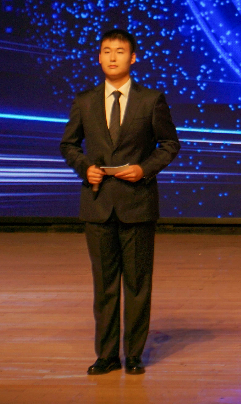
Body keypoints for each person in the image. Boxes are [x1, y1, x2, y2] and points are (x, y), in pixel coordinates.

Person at [60, 28, 181, 376]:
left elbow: (170, 145)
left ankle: (135, 354)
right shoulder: (85, 100)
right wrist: (85, 168)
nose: (113, 57)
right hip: (98, 204)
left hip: (137, 203)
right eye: (106, 51)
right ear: (99, 57)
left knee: (138, 283)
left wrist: (143, 169)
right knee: (105, 284)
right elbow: (68, 144)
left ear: (133, 57)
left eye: (120, 51)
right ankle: (107, 354)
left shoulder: (151, 100)